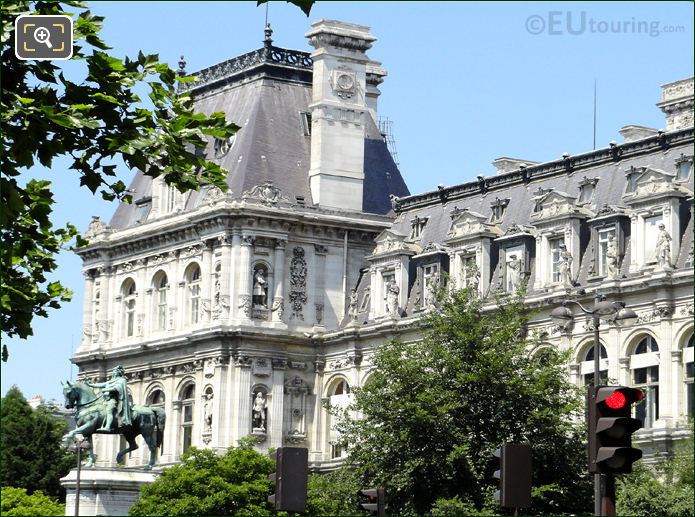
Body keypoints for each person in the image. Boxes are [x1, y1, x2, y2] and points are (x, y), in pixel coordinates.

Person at [87, 365, 132, 431]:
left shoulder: (122, 380)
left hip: (113, 399)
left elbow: (117, 388)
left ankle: (107, 427)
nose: (113, 373)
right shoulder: (111, 381)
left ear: (118, 372)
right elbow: (101, 384)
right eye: (113, 371)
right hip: (105, 399)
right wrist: (89, 384)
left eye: (115, 371)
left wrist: (106, 390)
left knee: (109, 411)